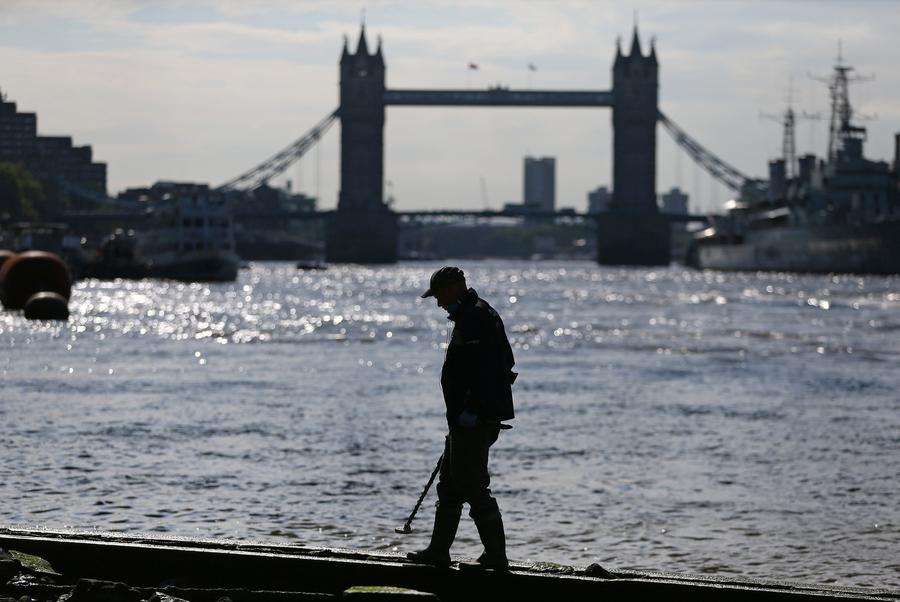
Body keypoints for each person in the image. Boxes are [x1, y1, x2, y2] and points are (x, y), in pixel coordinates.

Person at [407, 266, 517, 570]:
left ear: (455, 287)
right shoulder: (471, 316)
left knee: (472, 485)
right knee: (451, 486)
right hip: (463, 420)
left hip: (475, 419)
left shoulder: (477, 318)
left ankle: (496, 556)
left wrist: (475, 411)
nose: (439, 303)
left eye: (440, 295)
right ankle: (439, 552)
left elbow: (492, 370)